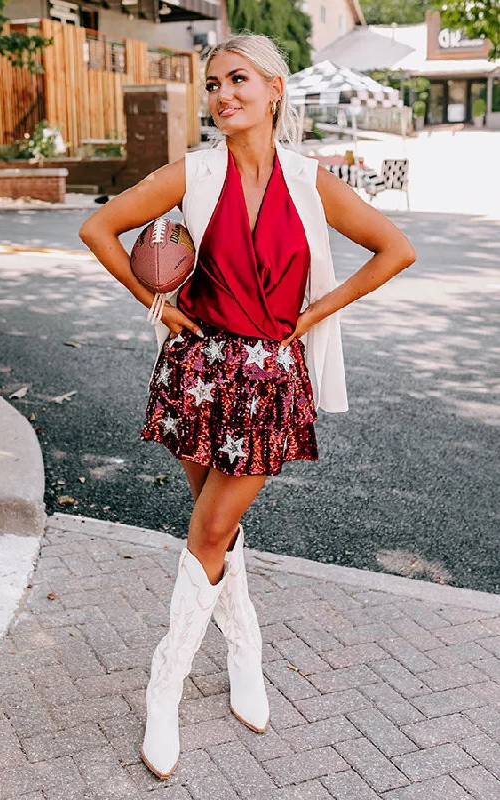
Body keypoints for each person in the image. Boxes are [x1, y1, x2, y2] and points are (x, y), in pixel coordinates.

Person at [78, 32, 416, 780]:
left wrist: (317, 309)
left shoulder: (308, 181)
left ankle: (162, 689)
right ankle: (244, 659)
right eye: (211, 84)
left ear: (272, 89)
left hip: (270, 381)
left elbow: (394, 249)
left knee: (212, 529)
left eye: (236, 80)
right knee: (214, 533)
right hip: (197, 371)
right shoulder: (193, 172)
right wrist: (155, 306)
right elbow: (98, 227)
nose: (221, 94)